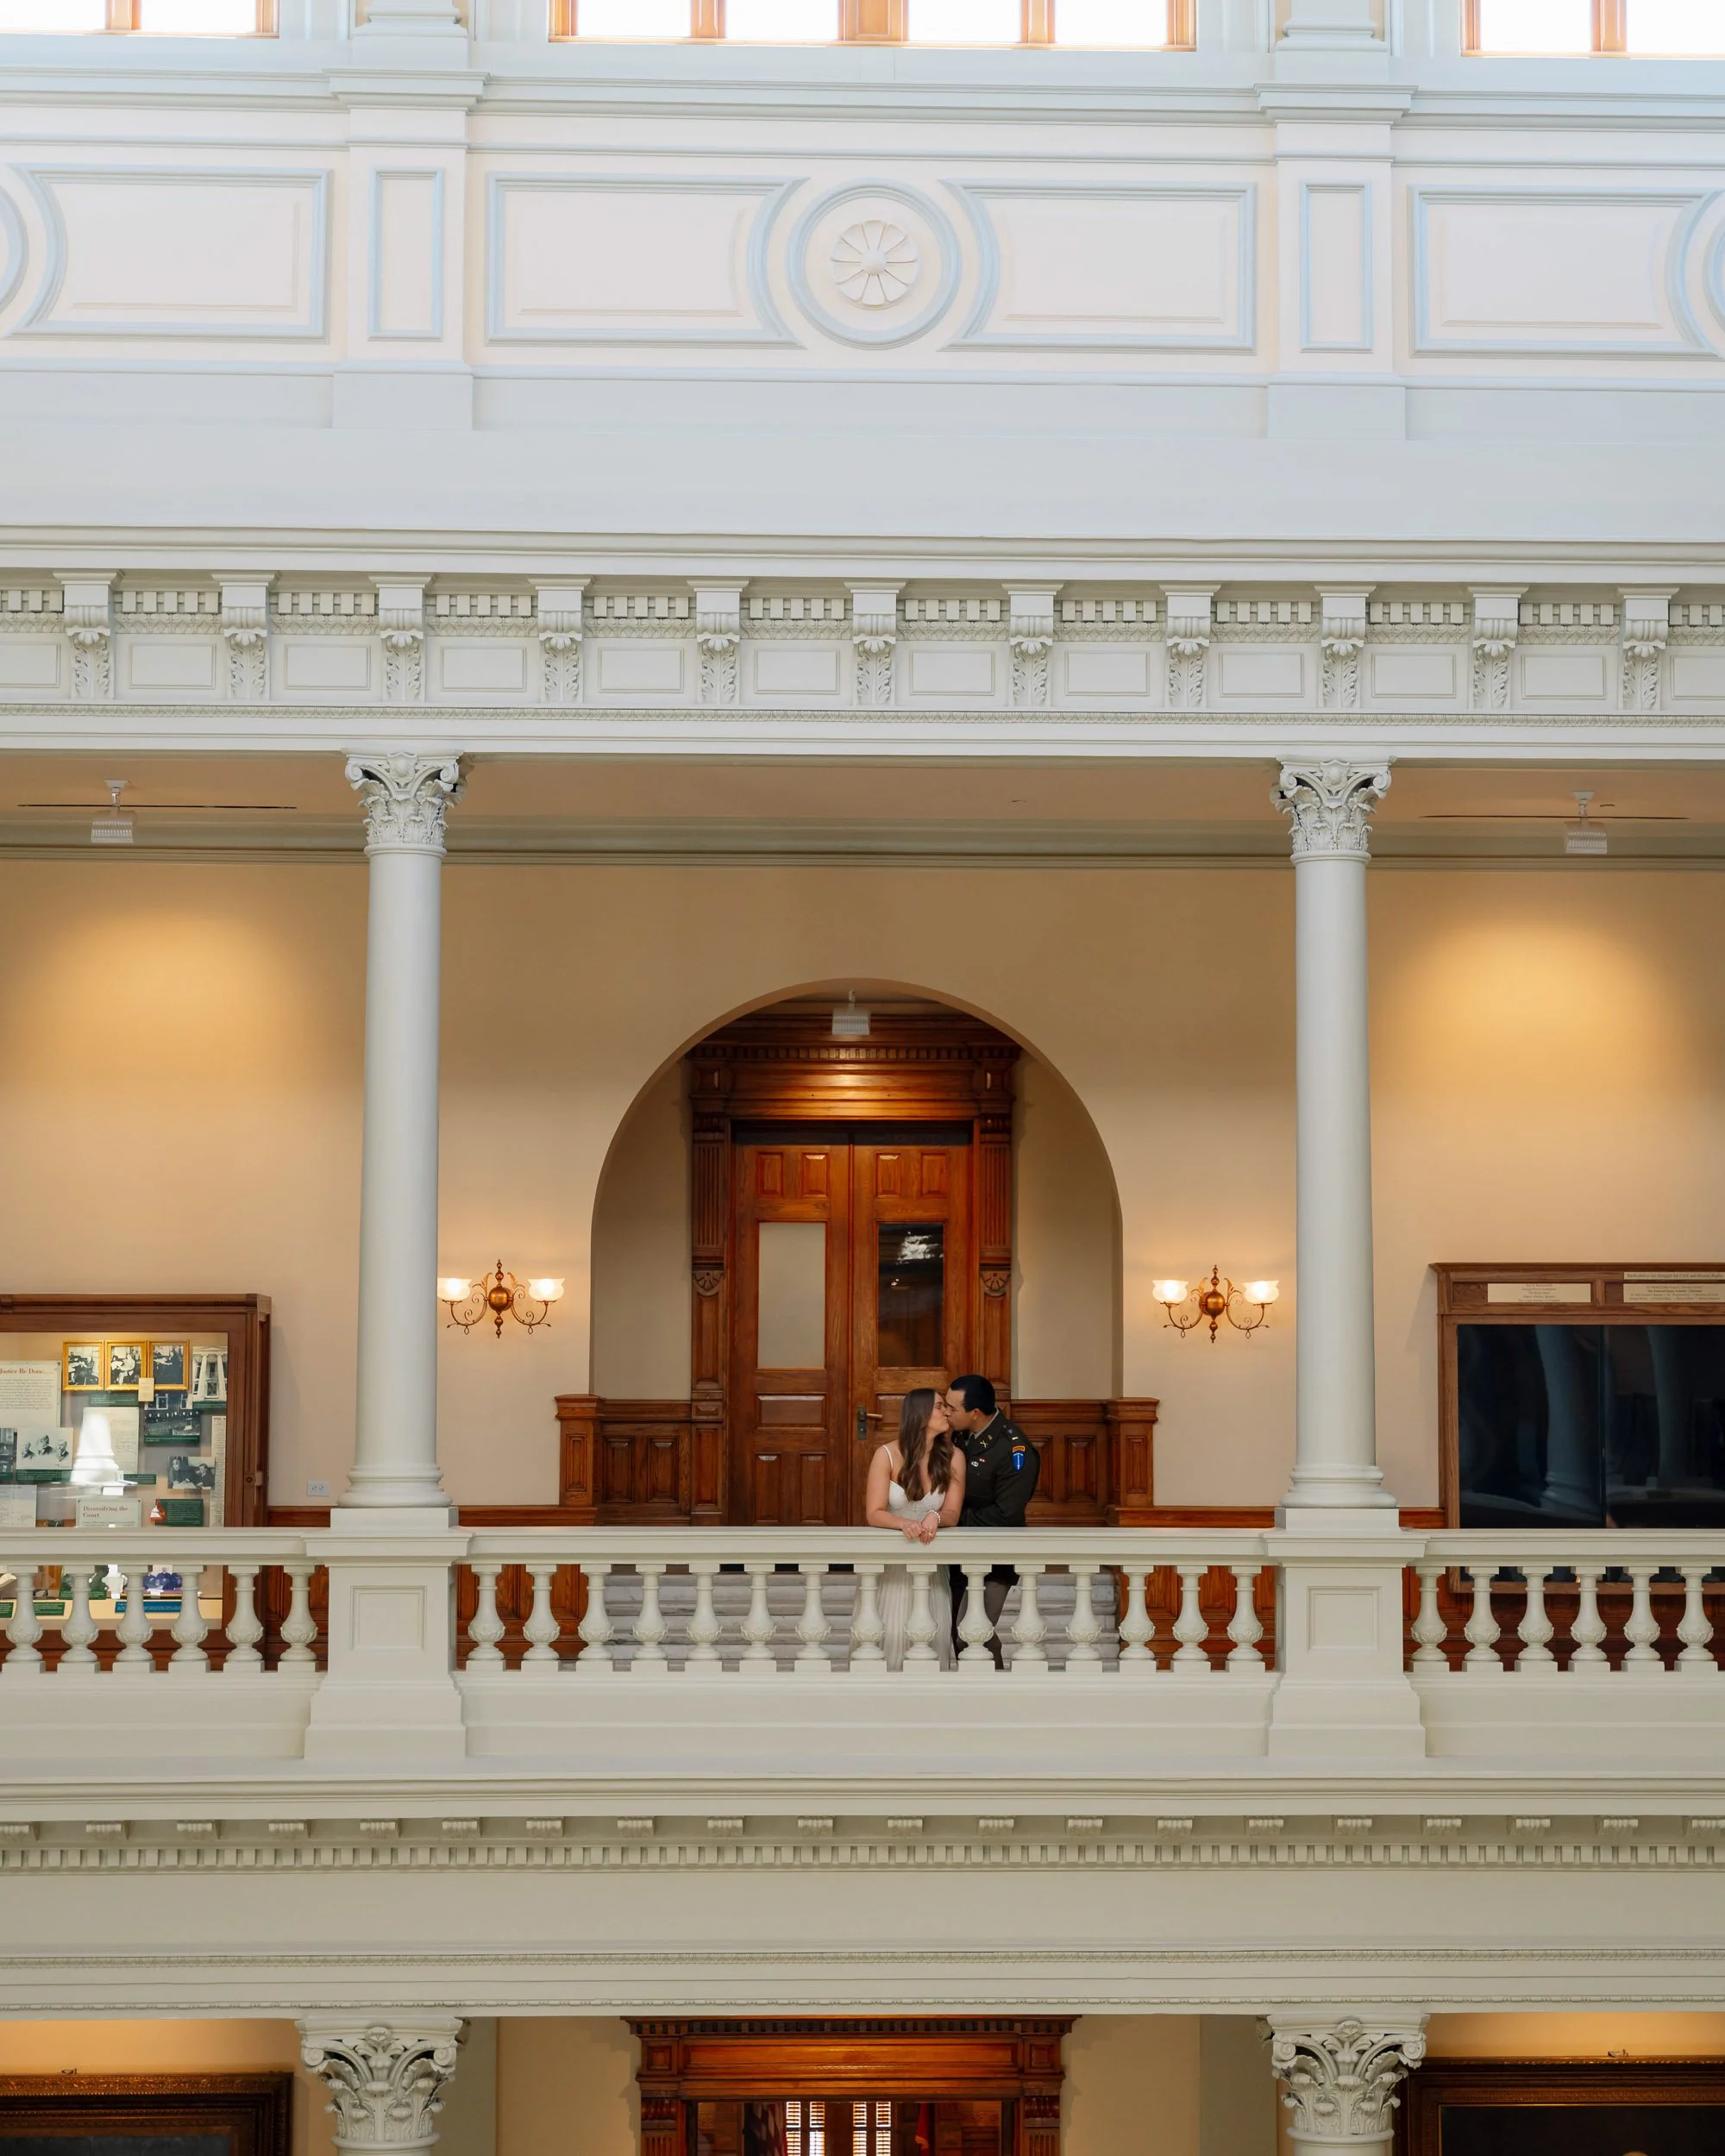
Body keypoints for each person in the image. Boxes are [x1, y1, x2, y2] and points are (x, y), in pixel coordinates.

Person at [863, 1388, 965, 1670]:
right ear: (919, 1415)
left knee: (930, 1636)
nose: (947, 1412)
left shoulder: (954, 1456)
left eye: (947, 1407)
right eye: (939, 1407)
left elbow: (953, 1513)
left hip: (930, 1562)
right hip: (892, 1565)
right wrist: (904, 1523)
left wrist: (936, 1516)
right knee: (890, 1633)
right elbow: (874, 1513)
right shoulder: (885, 1454)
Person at [943, 1373, 1040, 1668]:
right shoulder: (958, 1435)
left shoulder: (1013, 1448)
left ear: (975, 1413)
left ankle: (996, 1695)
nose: (946, 1412)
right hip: (956, 1555)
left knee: (973, 1634)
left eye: (952, 1408)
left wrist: (952, 1519)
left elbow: (1007, 1513)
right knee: (957, 1633)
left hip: (995, 1558)